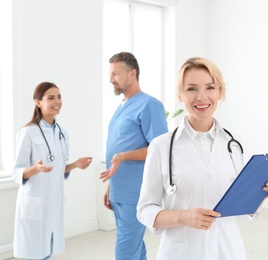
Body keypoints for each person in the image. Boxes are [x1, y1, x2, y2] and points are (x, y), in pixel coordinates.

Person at [137, 57, 268, 259]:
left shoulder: (235, 144)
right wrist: (184, 217)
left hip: (227, 250)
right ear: (180, 94)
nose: (201, 97)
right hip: (182, 252)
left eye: (210, 87)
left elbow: (241, 208)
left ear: (220, 93)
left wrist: (263, 193)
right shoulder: (161, 146)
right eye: (191, 89)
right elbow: (145, 210)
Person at [12, 82, 93, 260]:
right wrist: (36, 168)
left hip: (53, 203)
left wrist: (75, 165)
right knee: (35, 253)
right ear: (38, 102)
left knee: (47, 250)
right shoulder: (28, 133)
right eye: (51, 98)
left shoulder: (62, 133)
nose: (57, 101)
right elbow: (17, 171)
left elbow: (58, 168)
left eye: (59, 97)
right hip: (35, 203)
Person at [100, 52, 168, 259]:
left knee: (125, 249)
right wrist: (111, 186)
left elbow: (160, 149)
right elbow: (118, 150)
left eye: (115, 74)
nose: (111, 79)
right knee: (134, 246)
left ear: (132, 73)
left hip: (136, 193)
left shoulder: (149, 105)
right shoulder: (121, 107)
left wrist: (123, 156)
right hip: (119, 191)